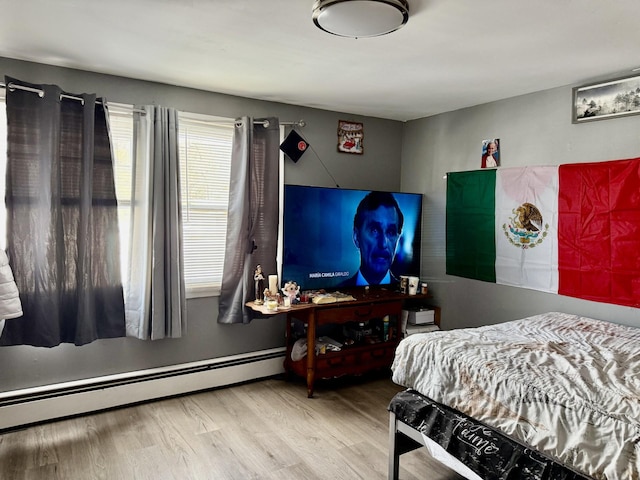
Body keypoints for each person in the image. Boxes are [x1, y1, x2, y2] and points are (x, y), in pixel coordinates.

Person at [340, 191, 404, 286]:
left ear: (397, 239)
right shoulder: (339, 291)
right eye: (374, 230)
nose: (383, 244)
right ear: (356, 237)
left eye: (391, 232)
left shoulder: (404, 296)